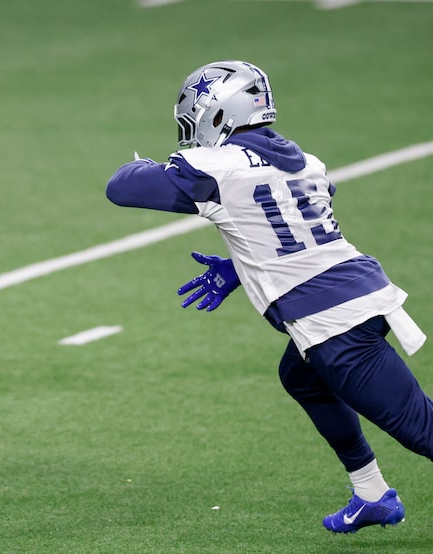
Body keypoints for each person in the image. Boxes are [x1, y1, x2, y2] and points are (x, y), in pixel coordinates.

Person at [105, 60, 433, 534]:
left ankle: (376, 492)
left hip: (334, 323)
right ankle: (372, 493)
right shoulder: (306, 161)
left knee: (421, 429)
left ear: (217, 113)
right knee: (301, 378)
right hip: (352, 296)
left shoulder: (215, 167)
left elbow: (122, 187)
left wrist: (142, 162)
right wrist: (242, 268)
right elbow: (290, 231)